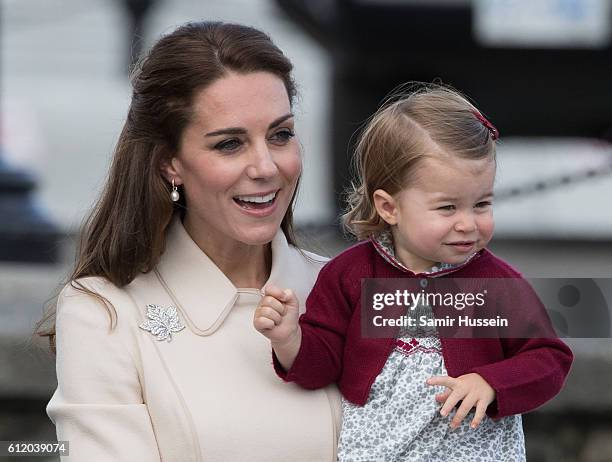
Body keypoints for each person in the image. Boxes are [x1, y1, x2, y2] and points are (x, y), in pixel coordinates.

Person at [39, 21, 341, 461]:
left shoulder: (349, 289)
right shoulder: (102, 313)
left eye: (280, 135)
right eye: (229, 144)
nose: (266, 166)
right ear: (169, 164)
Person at [253, 84, 574, 461]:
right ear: (389, 208)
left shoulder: (497, 285)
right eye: (448, 207)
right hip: (379, 449)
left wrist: (491, 381)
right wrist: (289, 339)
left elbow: (549, 359)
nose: (468, 224)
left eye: (482, 204)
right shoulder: (350, 276)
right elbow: (322, 367)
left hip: (473, 450)